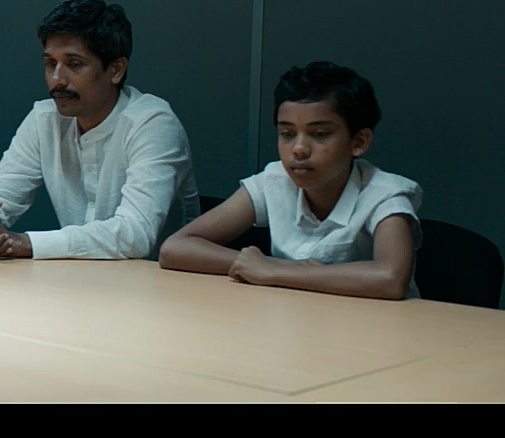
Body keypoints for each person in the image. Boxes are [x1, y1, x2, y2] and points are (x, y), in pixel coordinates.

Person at [0, 0, 200, 261]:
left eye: (74, 64)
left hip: (159, 281)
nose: (57, 79)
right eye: (50, 63)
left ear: (116, 70)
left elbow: (134, 234)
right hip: (77, 276)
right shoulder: (44, 118)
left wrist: (22, 243)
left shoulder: (153, 123)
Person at [158, 61, 421, 300]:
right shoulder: (274, 180)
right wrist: (264, 266)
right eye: (287, 133)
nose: (299, 149)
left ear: (359, 142)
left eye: (319, 134)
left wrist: (276, 271)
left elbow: (390, 278)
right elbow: (175, 248)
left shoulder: (384, 194)